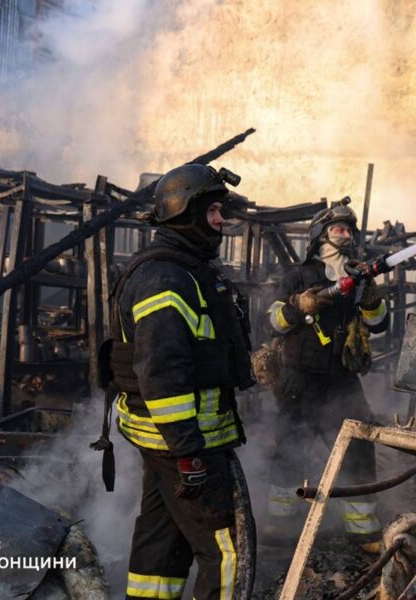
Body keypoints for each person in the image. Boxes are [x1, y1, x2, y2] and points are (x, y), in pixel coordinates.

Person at [102, 163, 254, 600]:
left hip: (170, 441)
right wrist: (188, 453)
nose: (221, 221)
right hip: (186, 442)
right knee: (227, 552)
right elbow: (163, 376)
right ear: (184, 213)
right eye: (213, 212)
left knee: (162, 543)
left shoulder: (184, 270)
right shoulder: (166, 279)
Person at [264, 202, 389, 549]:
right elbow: (271, 320)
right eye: (339, 229)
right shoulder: (297, 278)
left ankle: (363, 530)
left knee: (358, 448)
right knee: (291, 448)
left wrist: (372, 299)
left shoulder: (359, 278)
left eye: (350, 230)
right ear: (320, 235)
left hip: (342, 381)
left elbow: (379, 324)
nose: (346, 235)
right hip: (299, 379)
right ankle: (280, 522)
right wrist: (296, 306)